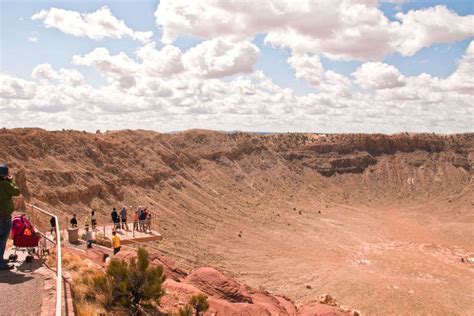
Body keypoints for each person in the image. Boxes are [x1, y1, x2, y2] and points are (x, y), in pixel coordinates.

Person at [0, 164, 21, 270]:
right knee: (3, 238)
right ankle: (0, 263)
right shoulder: (4, 184)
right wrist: (11, 181)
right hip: (3, 215)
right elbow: (16, 192)